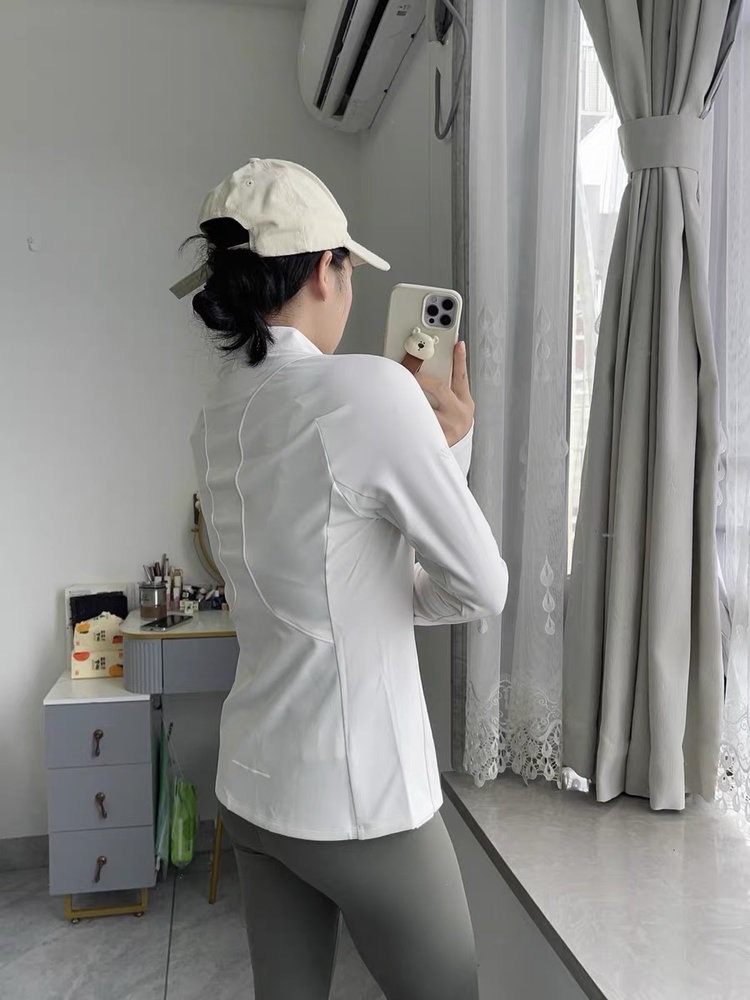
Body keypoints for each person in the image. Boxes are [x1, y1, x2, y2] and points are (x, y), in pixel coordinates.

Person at [174, 158, 508, 1000]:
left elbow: (327, 578)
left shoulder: (215, 415)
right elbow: (481, 586)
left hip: (255, 788)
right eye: (349, 268)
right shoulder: (369, 390)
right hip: (359, 798)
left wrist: (435, 452)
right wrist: (451, 446)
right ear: (326, 269)